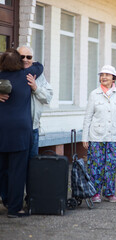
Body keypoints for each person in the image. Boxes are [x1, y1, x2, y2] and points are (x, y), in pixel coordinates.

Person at [0, 49, 43, 218]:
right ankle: (15, 208)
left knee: (2, 169)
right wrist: (27, 62)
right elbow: (40, 66)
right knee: (17, 171)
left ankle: (7, 200)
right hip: (20, 130)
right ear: (19, 62)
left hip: (1, 130)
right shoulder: (27, 74)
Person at [82, 65, 116, 203]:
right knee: (95, 165)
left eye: (107, 75)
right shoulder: (94, 94)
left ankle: (109, 193)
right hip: (96, 135)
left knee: (110, 165)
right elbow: (88, 117)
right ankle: (95, 193)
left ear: (113, 78)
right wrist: (85, 137)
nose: (104, 77)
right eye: (102, 75)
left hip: (113, 135)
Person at [18, 45, 53, 160]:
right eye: (21, 56)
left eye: (29, 57)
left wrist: (36, 88)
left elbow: (48, 97)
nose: (25, 60)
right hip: (15, 129)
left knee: (32, 164)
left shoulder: (39, 76)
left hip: (33, 128)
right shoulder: (11, 73)